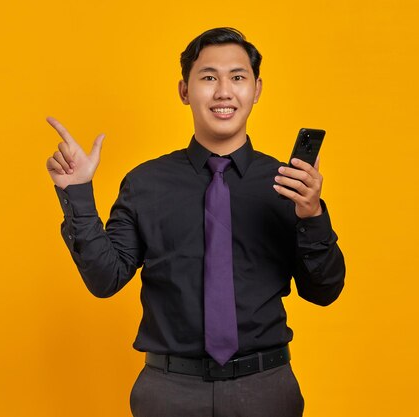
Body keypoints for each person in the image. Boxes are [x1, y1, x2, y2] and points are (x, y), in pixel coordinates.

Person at [45, 27, 345, 417]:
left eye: (237, 77)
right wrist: (79, 195)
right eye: (208, 77)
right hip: (169, 393)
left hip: (265, 390)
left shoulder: (289, 185)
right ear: (184, 90)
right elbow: (106, 279)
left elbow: (324, 291)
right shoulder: (145, 183)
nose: (223, 91)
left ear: (256, 89)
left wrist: (312, 216)